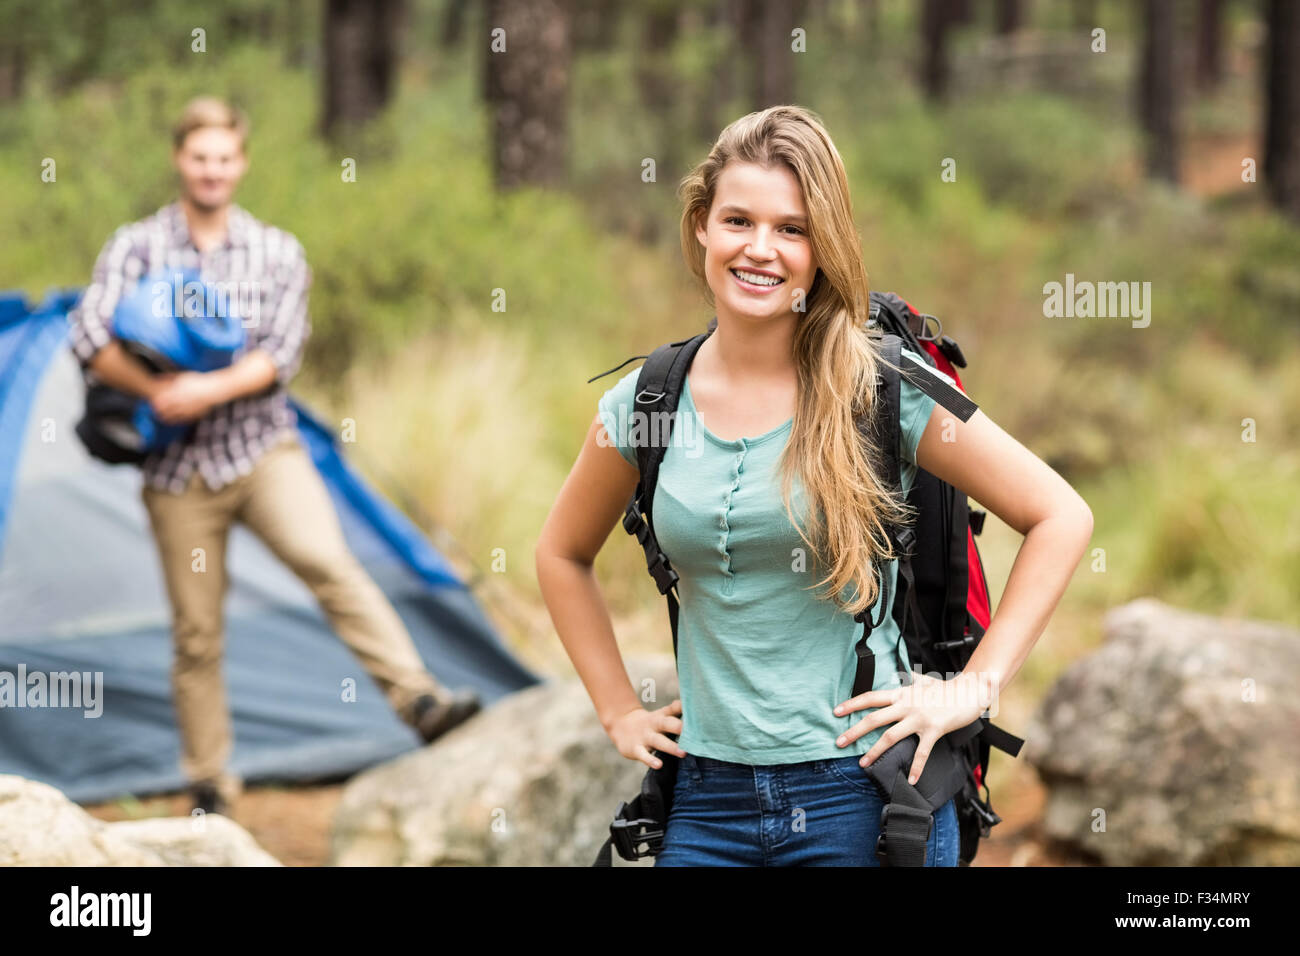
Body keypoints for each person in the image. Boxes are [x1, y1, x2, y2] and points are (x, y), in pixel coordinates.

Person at [535, 105, 1093, 866]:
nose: (760, 250)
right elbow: (561, 554)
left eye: (791, 229)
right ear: (701, 224)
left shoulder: (881, 390)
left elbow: (1060, 515)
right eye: (738, 220)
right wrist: (618, 711)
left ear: (822, 246)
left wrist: (975, 687)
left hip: (863, 796)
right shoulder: (649, 401)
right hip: (704, 801)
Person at [66, 96, 480, 816]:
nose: (211, 170)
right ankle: (211, 787)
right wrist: (157, 390)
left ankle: (417, 699)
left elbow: (279, 354)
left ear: (242, 163)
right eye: (199, 157)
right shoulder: (136, 246)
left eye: (224, 158)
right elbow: (87, 335)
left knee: (328, 562)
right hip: (175, 475)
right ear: (179, 160)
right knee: (196, 633)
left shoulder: (276, 251)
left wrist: (204, 390)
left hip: (261, 451)